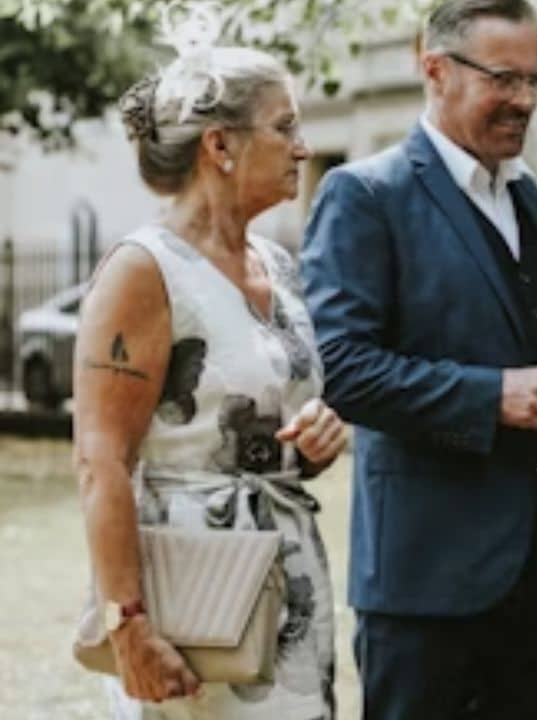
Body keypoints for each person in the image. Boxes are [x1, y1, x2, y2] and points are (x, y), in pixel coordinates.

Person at [299, 1, 537, 717]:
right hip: (429, 578)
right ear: (434, 70)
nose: (525, 101)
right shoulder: (364, 195)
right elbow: (341, 367)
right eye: (505, 78)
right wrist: (491, 396)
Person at [74, 38, 347, 719]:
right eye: (284, 128)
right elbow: (100, 460)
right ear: (220, 146)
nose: (303, 148)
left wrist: (316, 439)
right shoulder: (145, 269)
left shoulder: (279, 268)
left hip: (284, 585)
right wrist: (127, 623)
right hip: (190, 599)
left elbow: (270, 417)